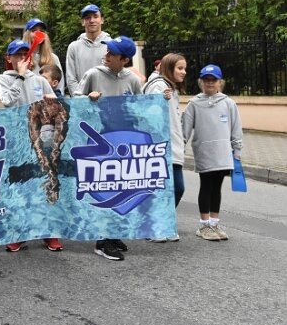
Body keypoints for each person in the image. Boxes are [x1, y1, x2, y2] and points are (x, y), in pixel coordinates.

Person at [77, 36, 143, 261]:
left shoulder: (132, 80)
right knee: (103, 188)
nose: (106, 55)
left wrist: (161, 100)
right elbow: (75, 101)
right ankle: (101, 241)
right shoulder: (94, 74)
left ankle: (113, 233)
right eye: (106, 51)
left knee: (120, 188)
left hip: (123, 142)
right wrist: (88, 98)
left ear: (124, 59)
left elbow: (141, 107)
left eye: (112, 54)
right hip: (99, 142)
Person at [0, 40, 58, 253]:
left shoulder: (40, 80)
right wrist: (20, 77)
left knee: (45, 183)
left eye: (26, 54)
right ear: (9, 58)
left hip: (42, 139)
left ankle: (49, 232)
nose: (22, 58)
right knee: (20, 185)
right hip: (17, 138)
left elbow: (55, 105)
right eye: (17, 55)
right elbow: (7, 102)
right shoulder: (3, 79)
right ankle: (19, 232)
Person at [182, 64, 243, 242]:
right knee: (206, 186)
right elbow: (185, 130)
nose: (210, 83)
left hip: (223, 153)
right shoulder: (194, 103)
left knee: (217, 187)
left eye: (213, 80)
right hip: (204, 152)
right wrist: (180, 149)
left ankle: (214, 223)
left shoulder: (229, 103)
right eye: (206, 80)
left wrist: (237, 150)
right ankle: (203, 225)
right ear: (201, 82)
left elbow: (236, 129)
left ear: (220, 82)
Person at [143, 53, 187, 242]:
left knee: (172, 188)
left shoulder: (170, 88)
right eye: (179, 68)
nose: (184, 72)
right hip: (161, 148)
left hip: (173, 147)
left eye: (184, 68)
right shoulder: (159, 86)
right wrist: (160, 99)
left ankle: (163, 224)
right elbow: (148, 113)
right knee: (172, 188)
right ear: (169, 68)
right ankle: (154, 226)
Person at [65, 4, 111, 96]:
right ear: (82, 22)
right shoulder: (73, 47)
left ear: (102, 20)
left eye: (95, 16)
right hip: (82, 104)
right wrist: (80, 100)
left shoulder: (111, 45)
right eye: (87, 18)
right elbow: (71, 79)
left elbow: (116, 75)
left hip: (107, 101)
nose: (92, 20)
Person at [23, 21, 65, 95]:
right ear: (27, 34)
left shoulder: (53, 58)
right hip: (28, 100)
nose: (38, 33)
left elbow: (60, 84)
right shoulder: (21, 58)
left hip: (48, 101)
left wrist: (57, 101)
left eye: (42, 31)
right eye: (33, 30)